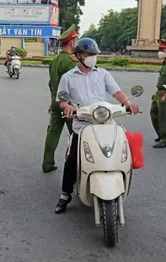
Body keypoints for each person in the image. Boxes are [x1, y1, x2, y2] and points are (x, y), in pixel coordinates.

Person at [54, 38, 140, 214]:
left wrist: (127, 103)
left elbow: (116, 92)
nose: (93, 57)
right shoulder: (68, 78)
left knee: (123, 151)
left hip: (105, 123)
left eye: (94, 54)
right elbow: (62, 101)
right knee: (72, 159)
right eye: (89, 54)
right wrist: (68, 107)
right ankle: (65, 194)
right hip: (82, 126)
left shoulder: (103, 74)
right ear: (79, 55)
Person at [42, 24, 78, 173]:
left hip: (56, 103)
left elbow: (52, 84)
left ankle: (47, 164)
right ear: (71, 42)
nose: (76, 43)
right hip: (70, 105)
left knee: (52, 134)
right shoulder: (70, 62)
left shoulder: (54, 61)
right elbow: (75, 86)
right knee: (76, 136)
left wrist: (53, 101)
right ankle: (76, 167)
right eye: (76, 40)